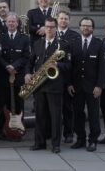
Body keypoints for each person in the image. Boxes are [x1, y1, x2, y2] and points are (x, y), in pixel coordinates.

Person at [26, 17, 71, 154]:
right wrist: (28, 73)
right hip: (39, 86)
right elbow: (30, 62)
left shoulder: (63, 45)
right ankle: (39, 143)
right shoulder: (37, 43)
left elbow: (69, 65)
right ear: (44, 28)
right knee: (40, 115)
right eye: (47, 27)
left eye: (52, 27)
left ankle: (55, 144)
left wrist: (58, 64)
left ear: (56, 28)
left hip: (54, 86)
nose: (49, 29)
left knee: (56, 116)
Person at [67, 18, 105, 152]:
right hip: (77, 87)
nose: (85, 28)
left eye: (88, 26)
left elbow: (103, 67)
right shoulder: (74, 43)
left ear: (92, 28)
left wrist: (99, 86)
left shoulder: (99, 44)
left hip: (93, 87)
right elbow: (70, 66)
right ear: (79, 27)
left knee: (94, 115)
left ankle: (93, 140)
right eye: (83, 26)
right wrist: (69, 84)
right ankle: (80, 139)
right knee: (78, 114)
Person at [0, 13, 30, 140]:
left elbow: (26, 57)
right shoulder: (0, 37)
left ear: (17, 23)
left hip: (18, 75)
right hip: (4, 76)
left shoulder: (25, 38)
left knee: (19, 103)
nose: (11, 24)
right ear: (5, 24)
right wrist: (7, 66)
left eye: (13, 22)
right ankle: (2, 130)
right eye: (8, 22)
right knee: (2, 103)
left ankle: (18, 129)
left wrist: (14, 66)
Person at [56, 10, 79, 144]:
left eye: (65, 19)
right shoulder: (51, 33)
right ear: (57, 19)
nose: (63, 20)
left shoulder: (75, 36)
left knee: (68, 108)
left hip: (67, 78)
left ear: (69, 21)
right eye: (61, 18)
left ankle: (68, 133)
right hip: (52, 78)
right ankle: (52, 133)